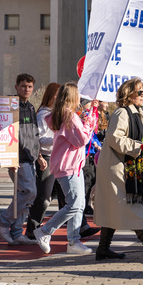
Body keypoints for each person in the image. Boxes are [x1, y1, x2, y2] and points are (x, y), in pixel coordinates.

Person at [93, 77, 143, 261]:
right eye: (140, 92)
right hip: (118, 166)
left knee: (116, 208)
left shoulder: (138, 113)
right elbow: (114, 138)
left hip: (129, 166)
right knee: (132, 206)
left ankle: (103, 248)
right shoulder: (122, 112)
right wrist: (141, 147)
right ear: (129, 95)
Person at [33, 83, 94, 255]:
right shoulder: (69, 115)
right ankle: (45, 231)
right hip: (68, 166)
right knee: (74, 204)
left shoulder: (64, 114)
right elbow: (81, 140)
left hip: (72, 165)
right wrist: (89, 123)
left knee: (79, 204)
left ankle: (73, 241)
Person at [0, 74, 42, 245]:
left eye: (29, 86)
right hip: (17, 158)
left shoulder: (30, 107)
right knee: (30, 192)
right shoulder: (10, 106)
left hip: (30, 157)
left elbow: (35, 134)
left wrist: (39, 156)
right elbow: (5, 133)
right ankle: (3, 222)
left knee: (24, 195)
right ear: (16, 87)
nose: (26, 89)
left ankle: (16, 232)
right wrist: (10, 158)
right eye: (23, 86)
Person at [27, 82, 61, 239]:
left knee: (56, 194)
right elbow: (40, 140)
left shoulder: (54, 113)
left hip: (56, 156)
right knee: (43, 197)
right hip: (46, 157)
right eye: (57, 96)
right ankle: (32, 227)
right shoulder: (43, 114)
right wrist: (59, 138)